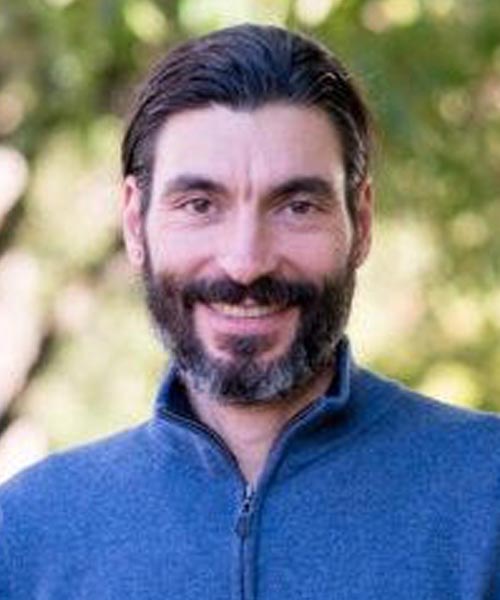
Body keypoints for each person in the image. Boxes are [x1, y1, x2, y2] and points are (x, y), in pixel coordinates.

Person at [1, 23, 499, 599]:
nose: (245, 263)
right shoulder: (28, 535)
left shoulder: (487, 495)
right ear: (135, 223)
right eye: (199, 204)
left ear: (361, 223)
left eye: (296, 206)